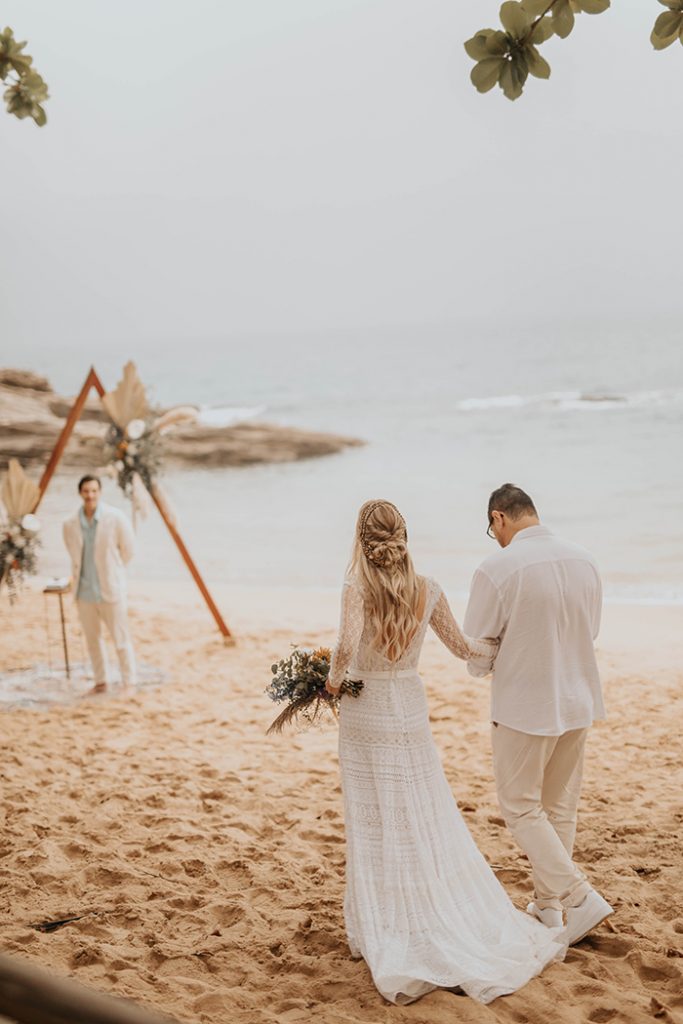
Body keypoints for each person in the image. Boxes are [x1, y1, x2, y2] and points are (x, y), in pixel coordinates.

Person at [325, 499, 566, 1005]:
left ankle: (379, 928)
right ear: (404, 537)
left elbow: (346, 650)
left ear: (362, 540)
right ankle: (420, 912)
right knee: (419, 808)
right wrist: (508, 647)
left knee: (374, 818)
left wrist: (329, 682)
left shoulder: (355, 587)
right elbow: (464, 648)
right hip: (408, 703)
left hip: (366, 707)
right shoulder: (428, 588)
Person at [463, 483, 612, 946]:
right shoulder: (584, 559)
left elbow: (477, 653)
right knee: (559, 807)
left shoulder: (496, 567)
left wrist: (493, 658)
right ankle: (549, 907)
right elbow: (593, 629)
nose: (496, 536)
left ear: (498, 518)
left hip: (526, 706)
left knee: (521, 807)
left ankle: (577, 896)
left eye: (493, 529)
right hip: (578, 697)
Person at [62, 474, 136, 693]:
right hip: (84, 591)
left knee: (120, 639)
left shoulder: (116, 518)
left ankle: (129, 681)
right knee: (92, 641)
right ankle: (101, 681)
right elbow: (73, 553)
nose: (90, 495)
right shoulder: (70, 524)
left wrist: (114, 571)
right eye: (86, 491)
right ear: (80, 493)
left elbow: (128, 550)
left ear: (100, 492)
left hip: (110, 589)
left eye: (94, 491)